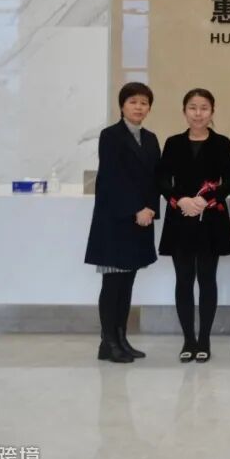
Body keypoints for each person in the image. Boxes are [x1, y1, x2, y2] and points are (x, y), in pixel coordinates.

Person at [156, 89, 230, 364]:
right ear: (184, 111)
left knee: (207, 279)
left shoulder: (222, 143)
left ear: (212, 112)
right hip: (180, 218)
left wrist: (205, 200)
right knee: (184, 279)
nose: (198, 113)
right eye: (192, 107)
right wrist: (180, 200)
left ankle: (204, 339)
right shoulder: (173, 143)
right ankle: (188, 339)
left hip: (210, 219)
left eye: (204, 108)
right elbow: (162, 179)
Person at [84, 82, 160, 364]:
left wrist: (150, 208)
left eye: (144, 103)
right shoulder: (111, 136)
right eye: (133, 102)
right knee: (112, 283)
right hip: (115, 221)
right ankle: (108, 341)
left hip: (141, 222)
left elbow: (155, 178)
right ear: (122, 106)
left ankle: (121, 338)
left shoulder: (150, 138)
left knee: (127, 283)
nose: (139, 107)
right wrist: (136, 208)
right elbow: (112, 179)